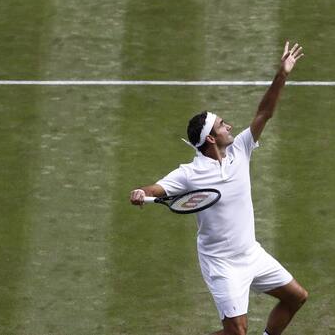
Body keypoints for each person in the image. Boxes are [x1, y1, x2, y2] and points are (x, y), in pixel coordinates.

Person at [129, 42, 308, 335]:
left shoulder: (241, 149)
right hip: (221, 264)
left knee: (297, 298)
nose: (229, 127)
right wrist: (139, 192)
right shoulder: (189, 173)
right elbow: (156, 189)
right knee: (236, 332)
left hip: (251, 253)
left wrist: (282, 74)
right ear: (211, 139)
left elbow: (264, 113)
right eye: (222, 126)